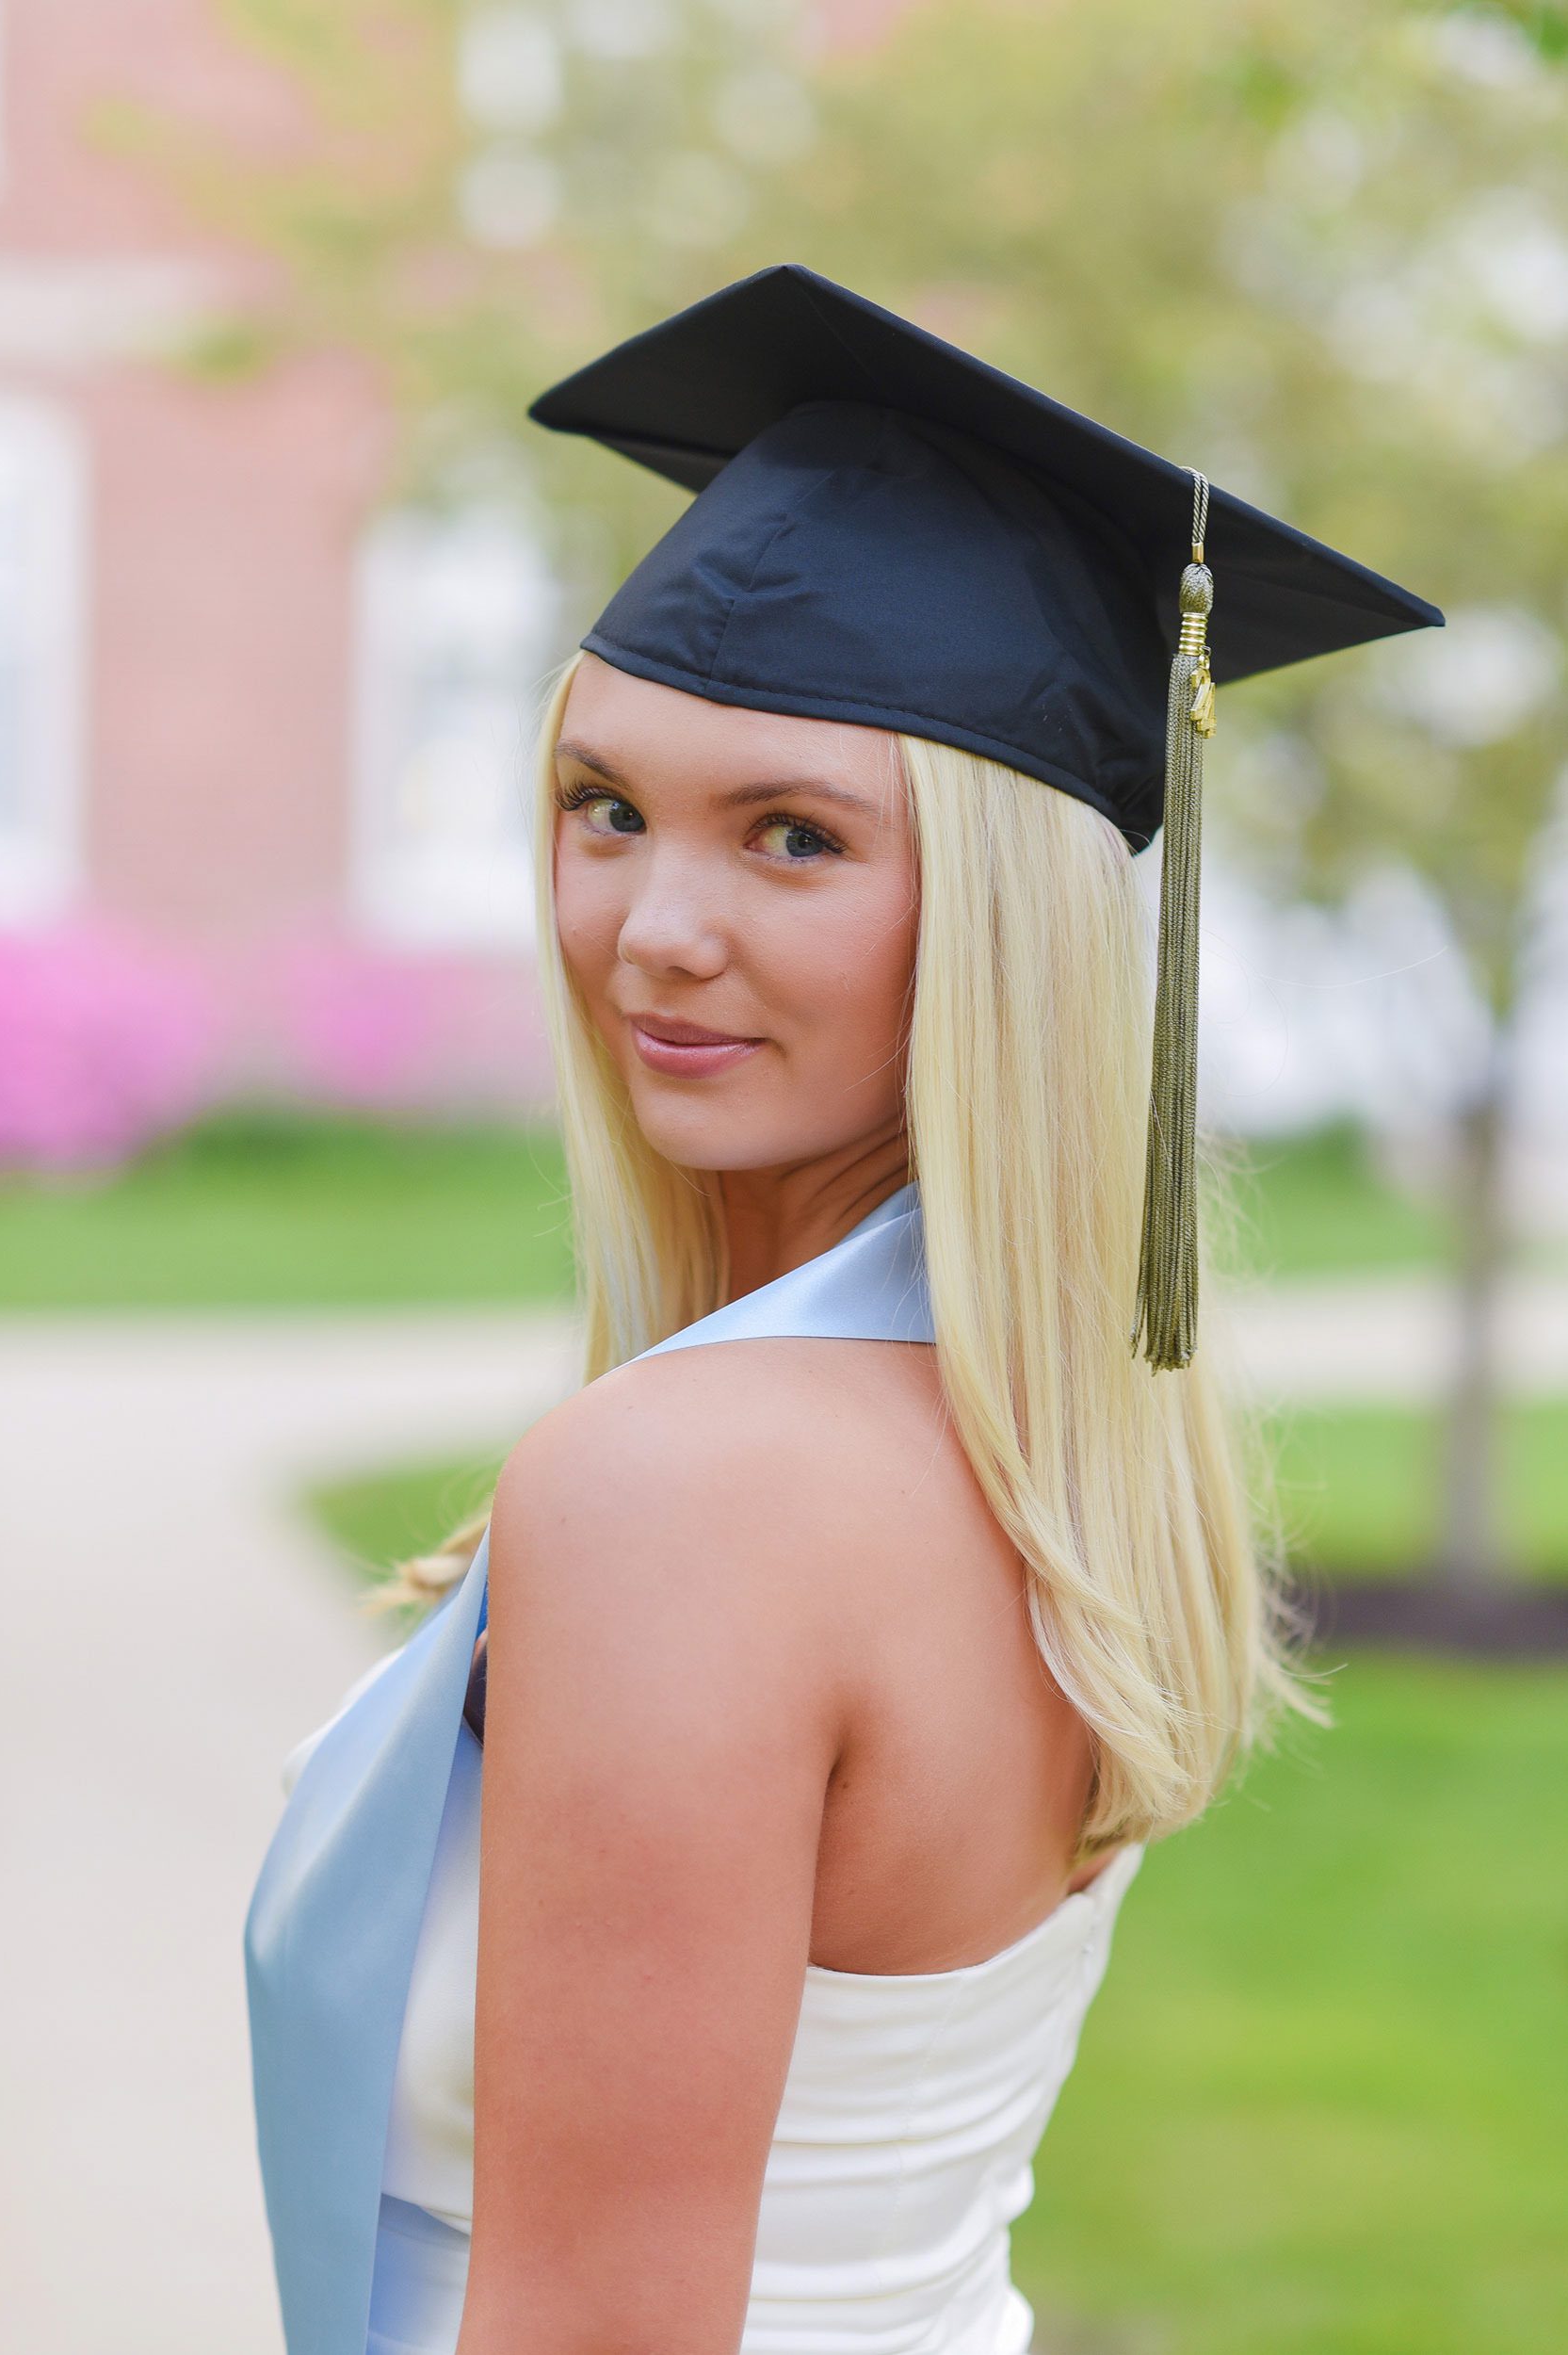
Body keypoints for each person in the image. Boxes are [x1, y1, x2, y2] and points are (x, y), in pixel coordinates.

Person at [245, 266, 1441, 2355]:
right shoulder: (1030, 1442)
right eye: (604, 805)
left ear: (1000, 918)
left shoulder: (685, 1496)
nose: (650, 928)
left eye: (792, 835)